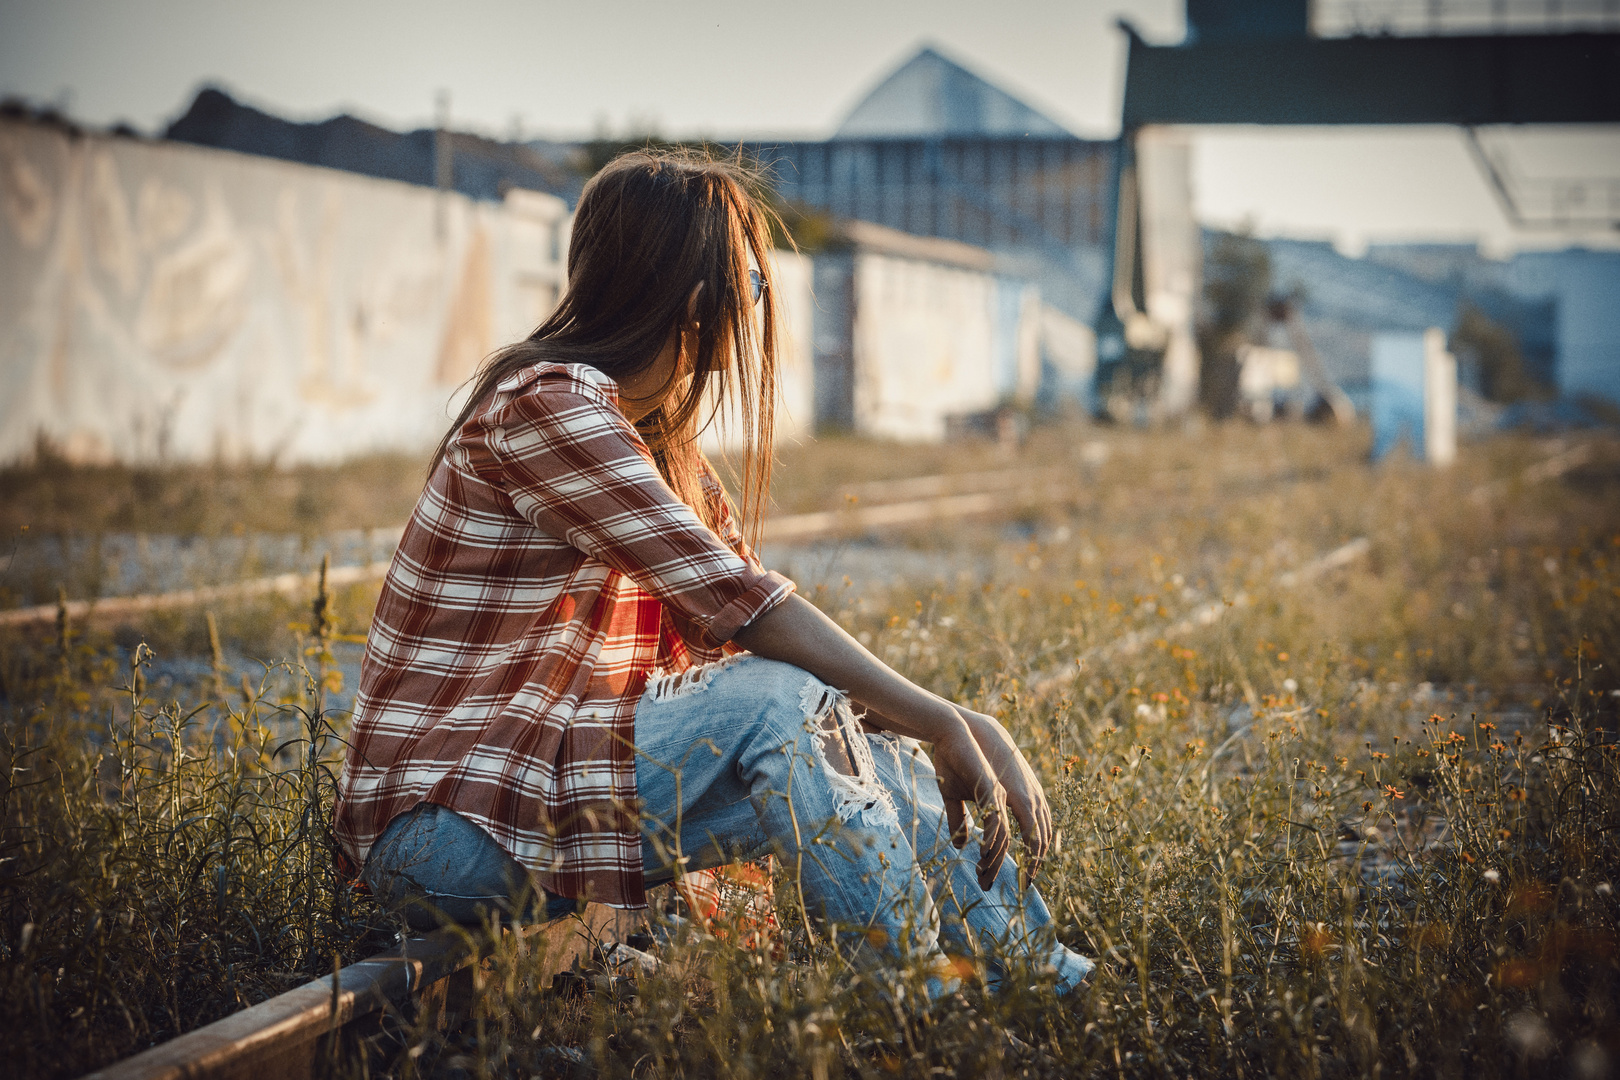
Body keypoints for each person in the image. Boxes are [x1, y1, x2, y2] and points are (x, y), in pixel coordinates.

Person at [332, 149, 1091, 997]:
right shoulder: (548, 405)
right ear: (699, 301)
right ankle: (915, 1001)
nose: (762, 307)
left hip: (538, 797)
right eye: (755, 287)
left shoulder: (654, 445)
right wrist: (943, 717)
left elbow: (767, 641)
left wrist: (925, 726)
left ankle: (1046, 980)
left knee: (856, 742)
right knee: (783, 701)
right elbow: (751, 615)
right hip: (448, 828)